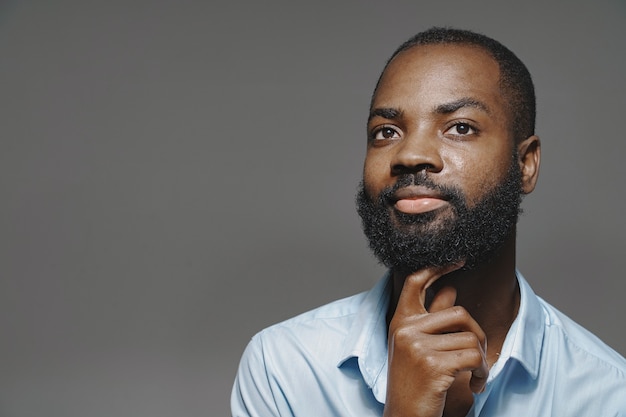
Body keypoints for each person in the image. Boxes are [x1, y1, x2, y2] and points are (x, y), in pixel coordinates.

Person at [230, 27, 626, 417]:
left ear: (525, 164)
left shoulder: (610, 395)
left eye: (460, 128)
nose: (410, 154)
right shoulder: (284, 369)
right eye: (386, 132)